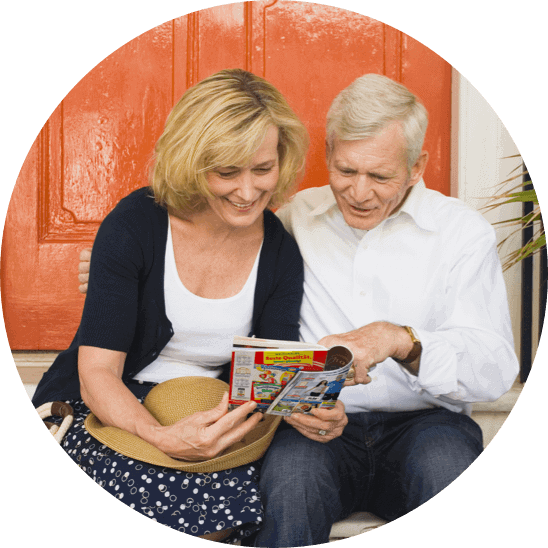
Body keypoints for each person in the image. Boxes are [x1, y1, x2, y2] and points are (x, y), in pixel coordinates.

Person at [77, 74, 520, 547]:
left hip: (428, 422)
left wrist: (401, 340)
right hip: (313, 425)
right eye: (346, 171)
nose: (359, 192)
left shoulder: (461, 234)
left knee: (448, 472)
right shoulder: (293, 220)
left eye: (381, 177)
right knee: (289, 487)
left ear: (417, 167)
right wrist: (297, 407)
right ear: (327, 152)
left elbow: (494, 371)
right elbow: (265, 339)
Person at [31, 68, 310, 543]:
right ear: (193, 161)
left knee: (236, 506)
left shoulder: (280, 250)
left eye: (263, 169)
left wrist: (298, 404)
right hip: (114, 405)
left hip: (213, 414)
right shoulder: (136, 223)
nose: (248, 193)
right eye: (227, 172)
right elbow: (97, 373)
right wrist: (162, 438)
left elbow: (269, 379)